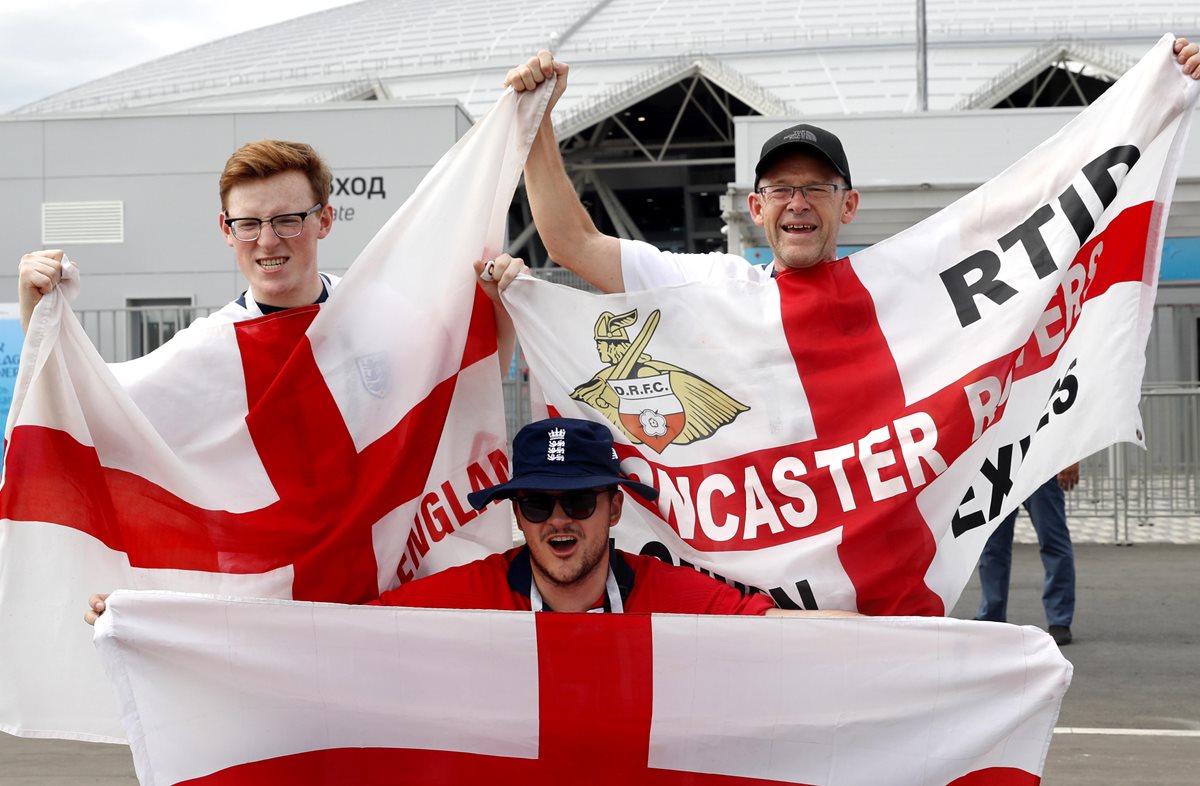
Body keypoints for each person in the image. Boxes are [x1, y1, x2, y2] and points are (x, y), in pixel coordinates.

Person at [493, 39, 1200, 294]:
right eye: (781, 189)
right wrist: (537, 125)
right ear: (757, 207)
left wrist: (1159, 105)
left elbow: (1057, 229)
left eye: (816, 189)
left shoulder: (898, 289)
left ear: (848, 204)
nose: (799, 203)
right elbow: (572, 246)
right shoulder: (716, 284)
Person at [87, 417, 858, 619]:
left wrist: (948, 652)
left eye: (580, 501)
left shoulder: (671, 591)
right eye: (536, 503)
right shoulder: (463, 598)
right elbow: (321, 634)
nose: (560, 521)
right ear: (516, 516)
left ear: (616, 508)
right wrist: (157, 613)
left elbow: (780, 633)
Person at [976, 464, 1079, 646]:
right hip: (1000, 464)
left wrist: (1072, 459)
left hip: (1040, 461)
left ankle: (1059, 620)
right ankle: (991, 616)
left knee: (1053, 541)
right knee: (993, 546)